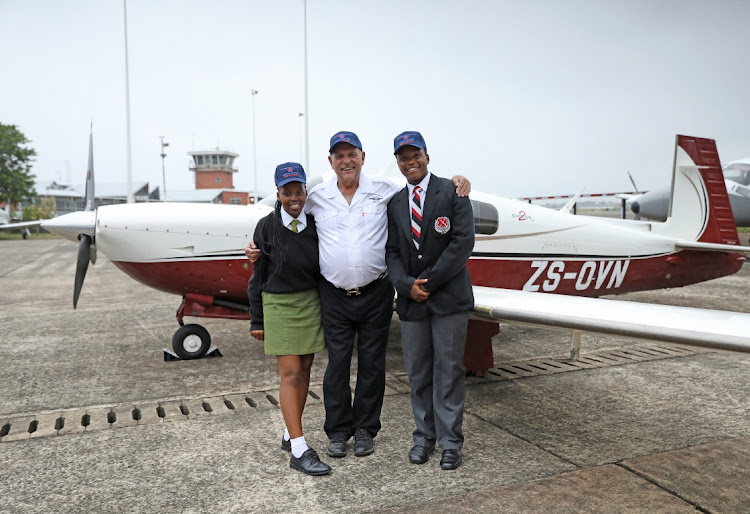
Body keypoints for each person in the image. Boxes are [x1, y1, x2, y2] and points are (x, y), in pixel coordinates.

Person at [246, 131, 470, 459]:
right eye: (339, 156)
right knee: (336, 365)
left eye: (352, 154)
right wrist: (255, 247)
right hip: (334, 295)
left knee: (371, 364)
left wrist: (458, 180)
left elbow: (419, 187)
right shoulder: (316, 197)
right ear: (331, 162)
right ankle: (338, 431)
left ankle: (365, 429)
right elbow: (284, 211)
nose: (346, 161)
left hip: (375, 292)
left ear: (363, 157)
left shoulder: (386, 190)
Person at [385, 131, 475, 470]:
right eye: (403, 156)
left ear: (426, 156)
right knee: (418, 374)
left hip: (448, 298)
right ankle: (423, 438)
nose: (410, 161)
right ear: (398, 162)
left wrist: (429, 281)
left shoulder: (453, 191)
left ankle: (451, 442)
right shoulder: (394, 203)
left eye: (415, 154)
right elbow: (391, 251)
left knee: (449, 372)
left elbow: (463, 242)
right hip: (412, 302)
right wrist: (406, 285)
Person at [247, 162, 331, 476]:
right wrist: (257, 319)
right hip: (278, 304)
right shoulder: (266, 226)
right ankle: (298, 448)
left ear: (305, 192)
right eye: (286, 192)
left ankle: (288, 431)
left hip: (310, 301)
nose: (293, 197)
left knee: (306, 369)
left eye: (298, 191)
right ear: (278, 194)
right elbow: (258, 275)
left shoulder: (316, 222)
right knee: (291, 373)